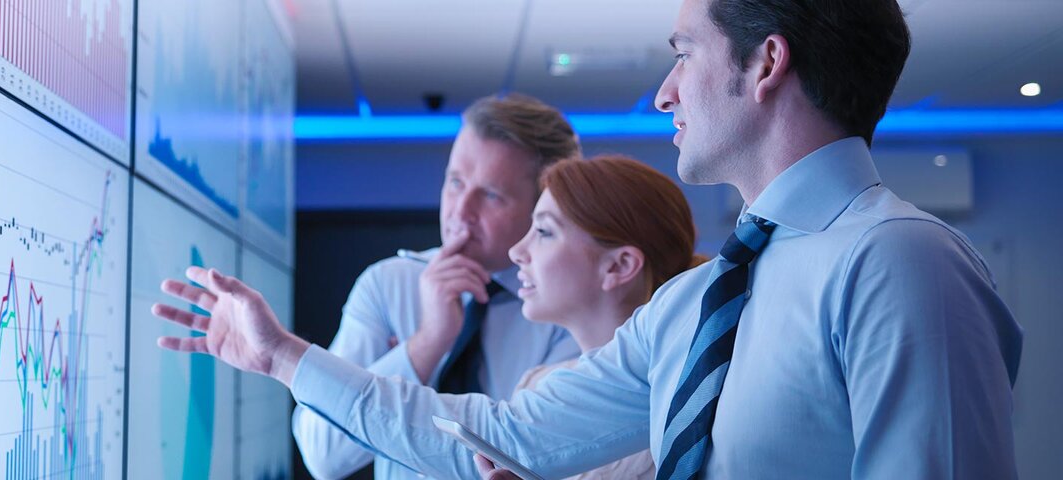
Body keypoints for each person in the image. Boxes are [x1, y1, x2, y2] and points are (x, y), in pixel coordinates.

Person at [153, 0, 1023, 478]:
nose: (664, 92)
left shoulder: (901, 264)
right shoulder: (695, 302)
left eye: (684, 52)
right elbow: (502, 431)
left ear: (766, 65)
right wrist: (282, 358)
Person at [292, 93, 584, 480]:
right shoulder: (387, 285)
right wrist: (426, 343)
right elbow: (323, 454)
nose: (460, 213)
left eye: (491, 195)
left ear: (543, 205)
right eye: (455, 182)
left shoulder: (570, 304)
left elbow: (552, 454)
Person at [503, 155, 707, 479]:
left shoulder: (680, 410)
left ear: (619, 266)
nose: (516, 251)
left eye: (543, 231)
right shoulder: (536, 386)